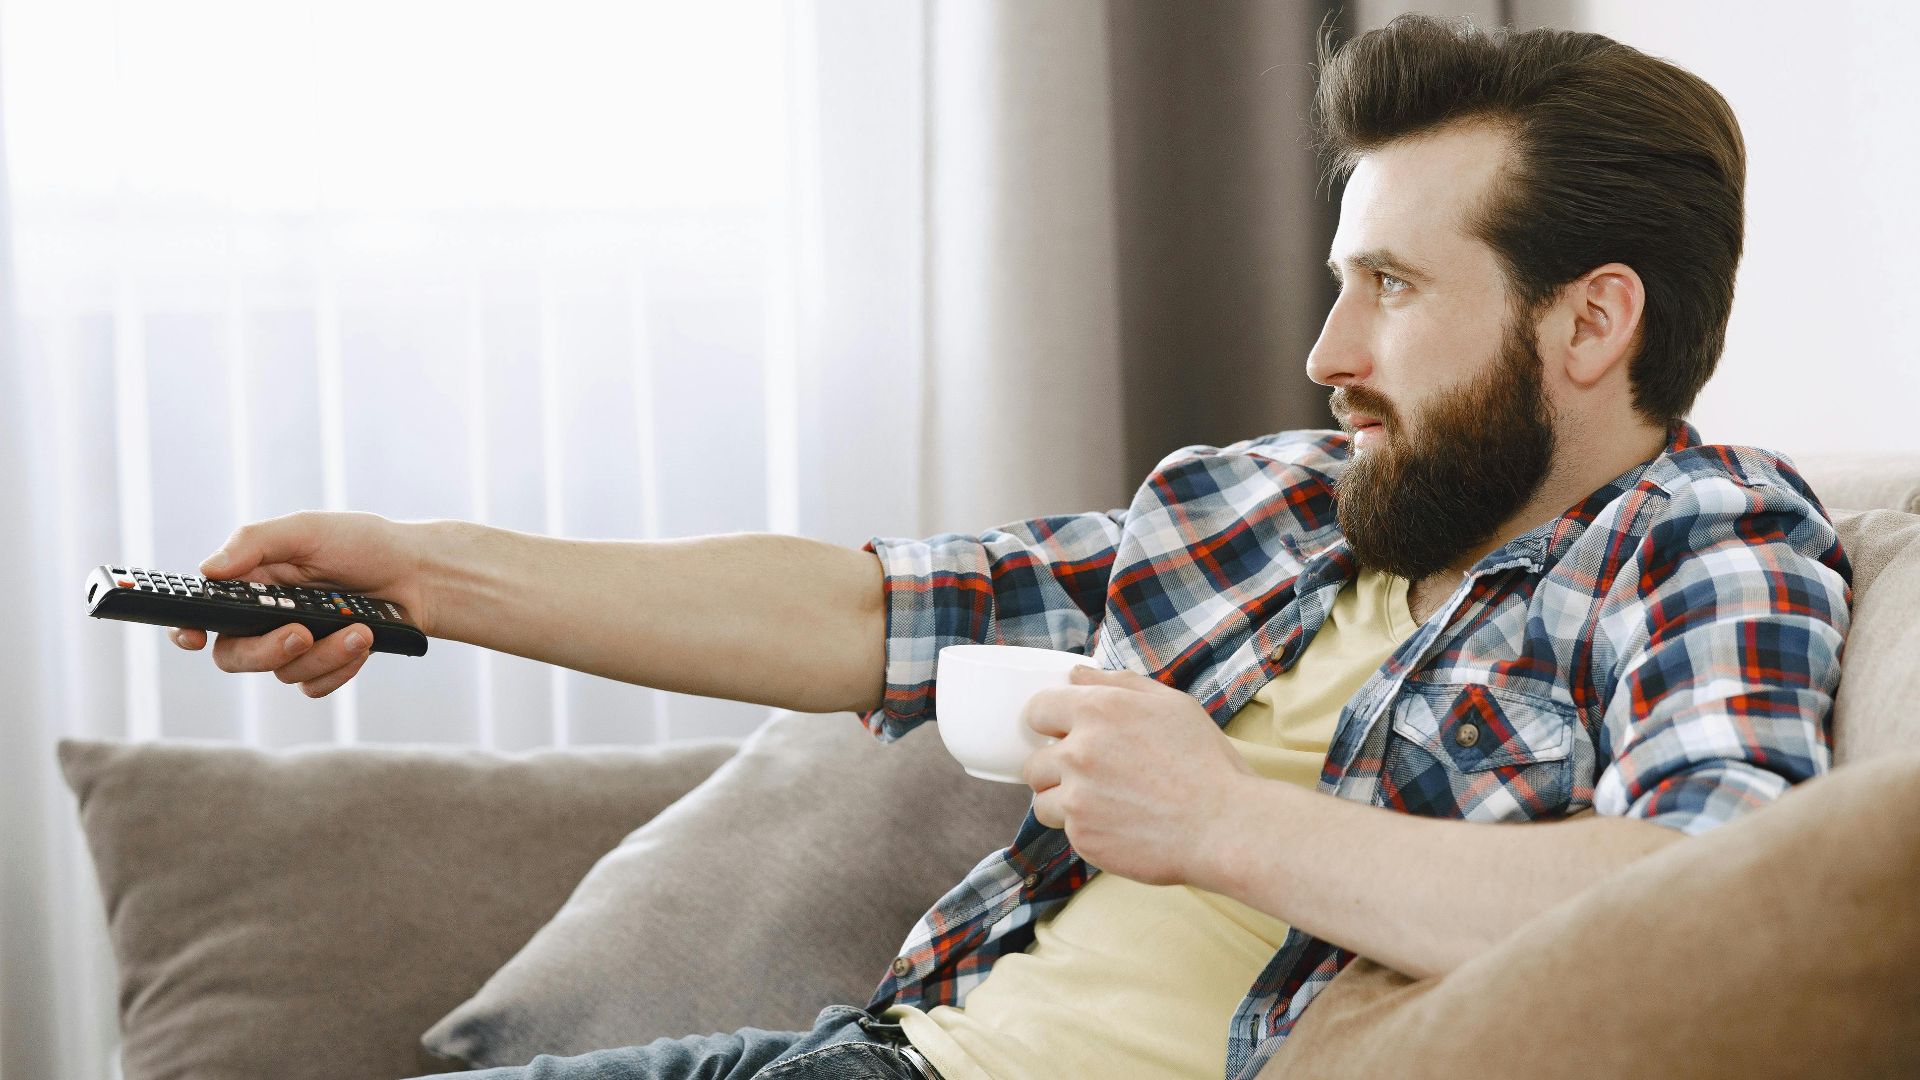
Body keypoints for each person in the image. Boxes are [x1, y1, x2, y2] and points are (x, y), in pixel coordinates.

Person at [167, 14, 1850, 1080]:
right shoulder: (1271, 506)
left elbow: (1685, 898)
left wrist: (1222, 821)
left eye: (1393, 287)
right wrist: (427, 576)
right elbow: (863, 609)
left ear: (1592, 320)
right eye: (1344, 276)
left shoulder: (1708, 545)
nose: (1326, 350)